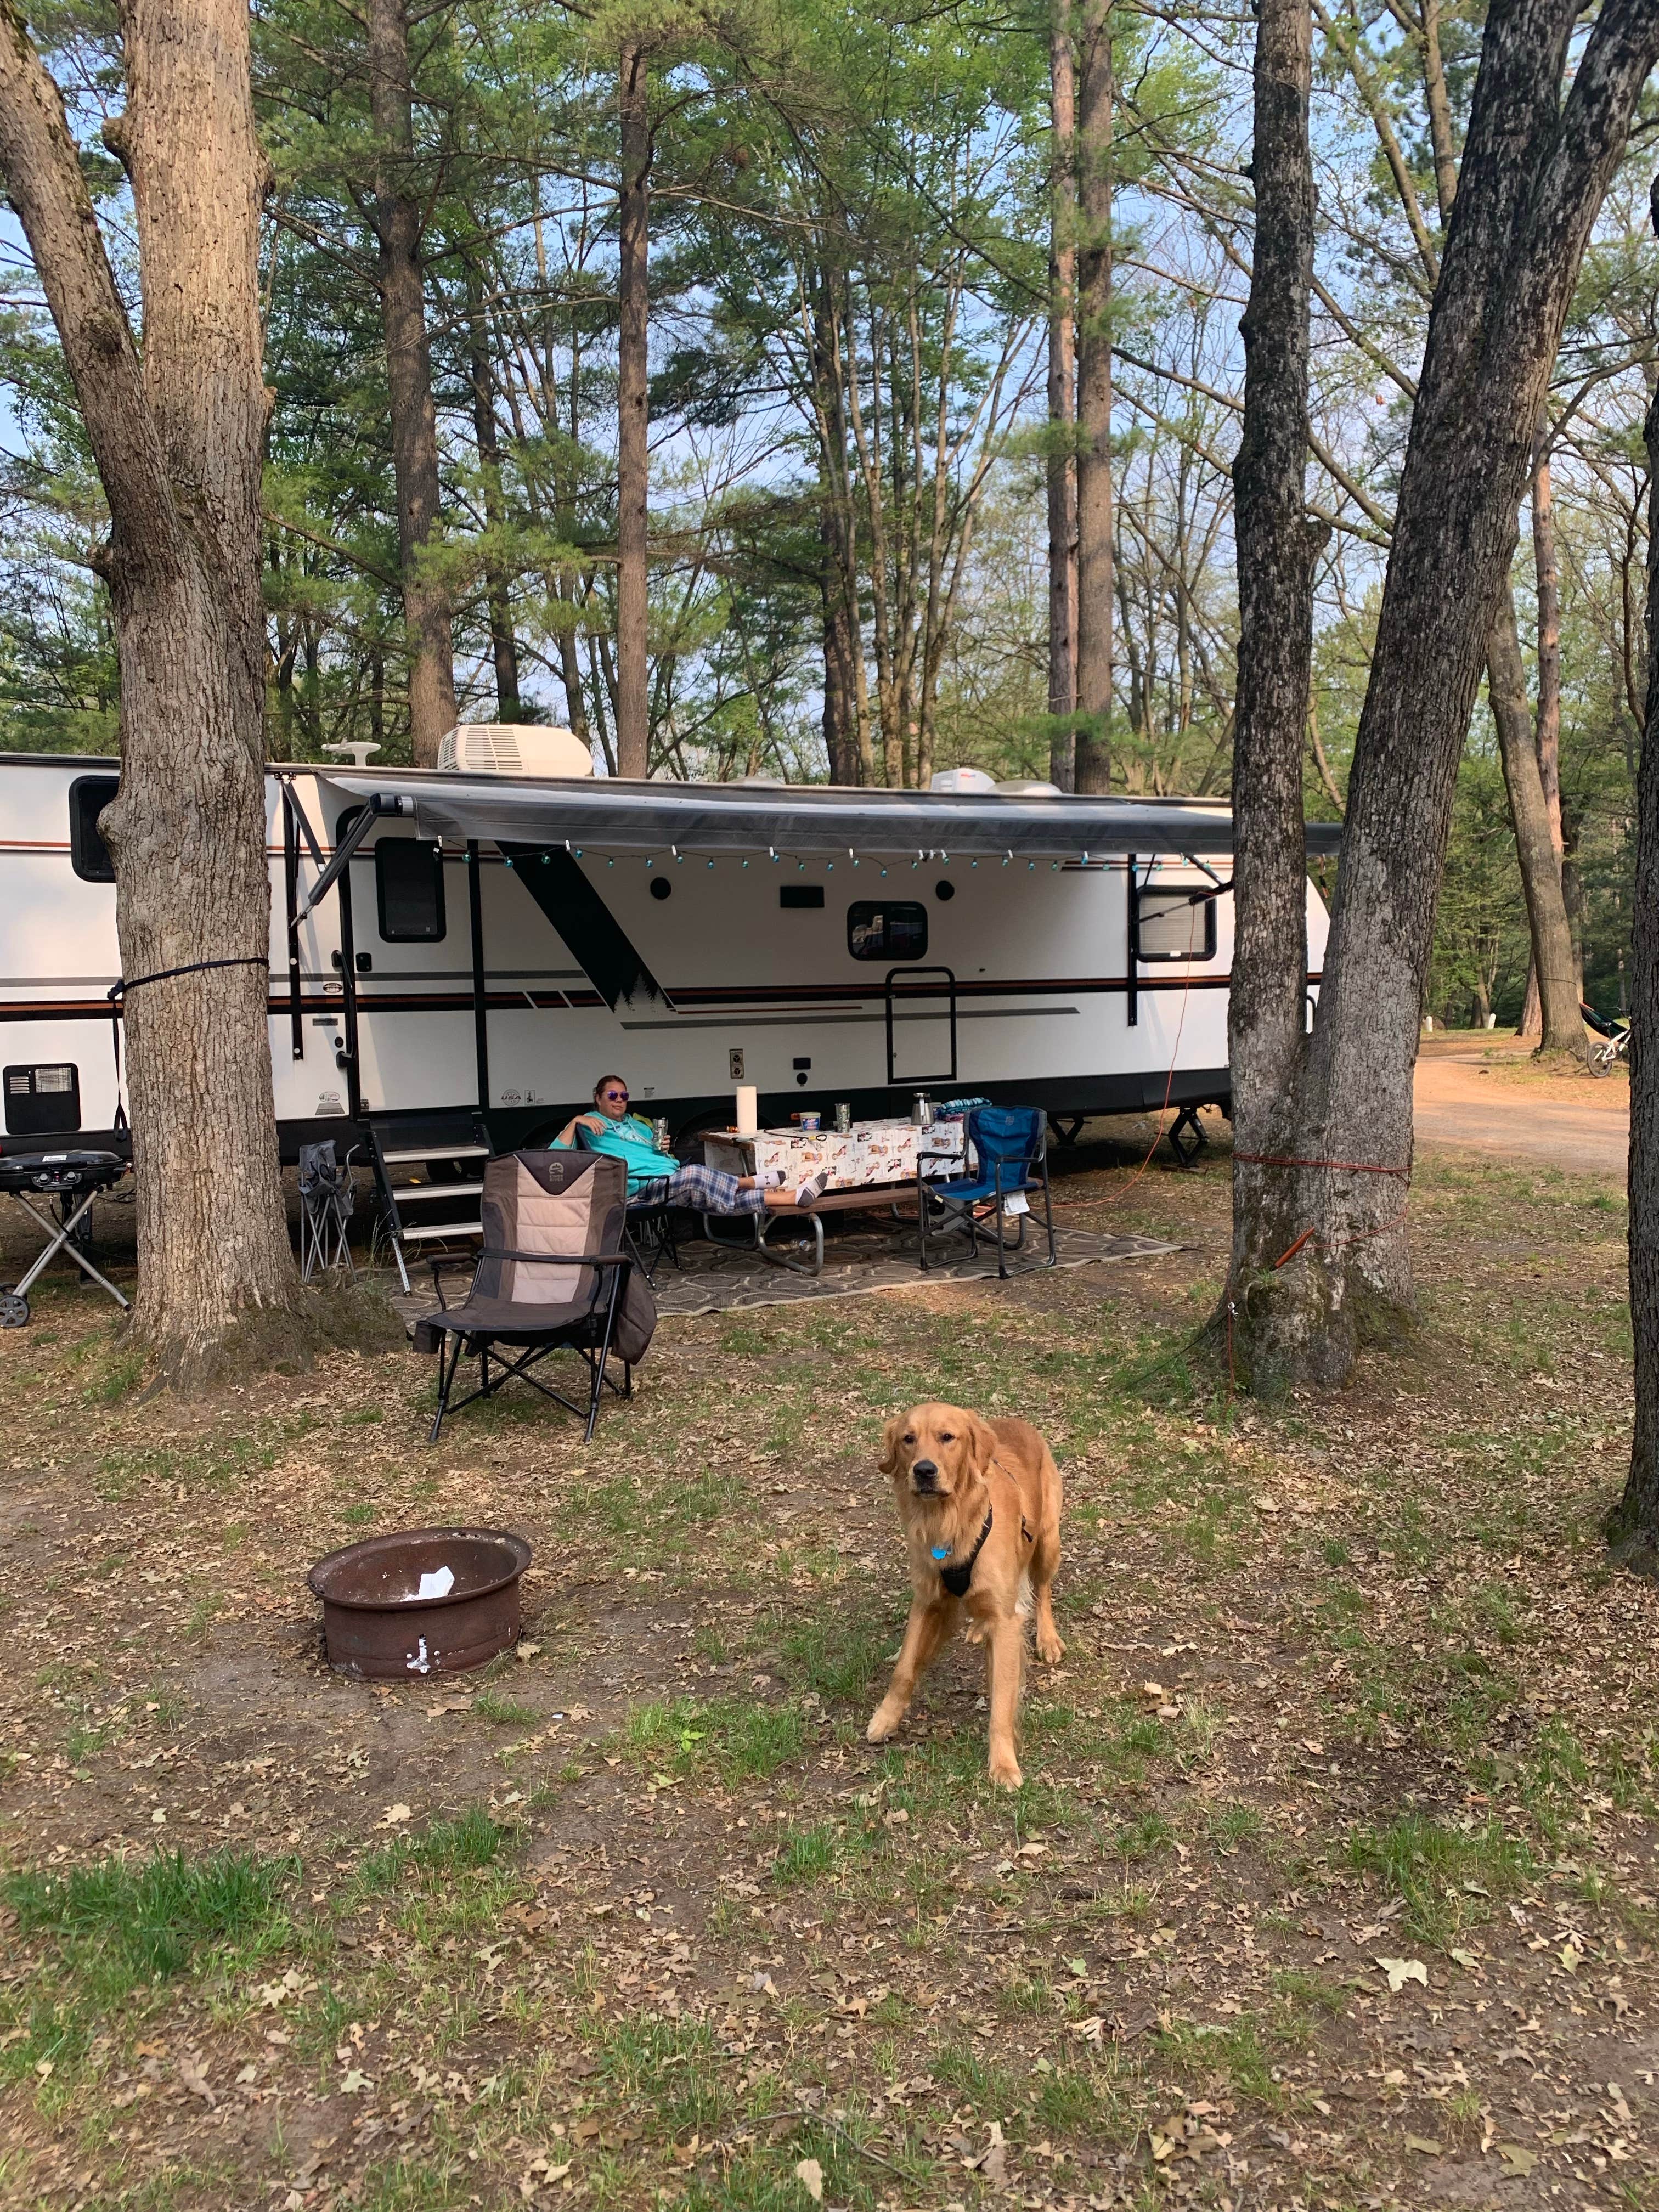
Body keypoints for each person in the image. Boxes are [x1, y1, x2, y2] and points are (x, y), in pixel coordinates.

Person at [552, 1076, 825, 1214]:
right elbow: (555, 1155)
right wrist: (574, 1121)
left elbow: (656, 1153)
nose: (619, 1100)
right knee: (695, 1178)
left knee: (704, 1194)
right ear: (598, 1098)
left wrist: (661, 1148)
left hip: (668, 1176)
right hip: (640, 1187)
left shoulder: (637, 1125)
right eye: (612, 1095)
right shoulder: (589, 1121)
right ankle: (750, 1181)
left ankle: (791, 1198)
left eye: (624, 1095)